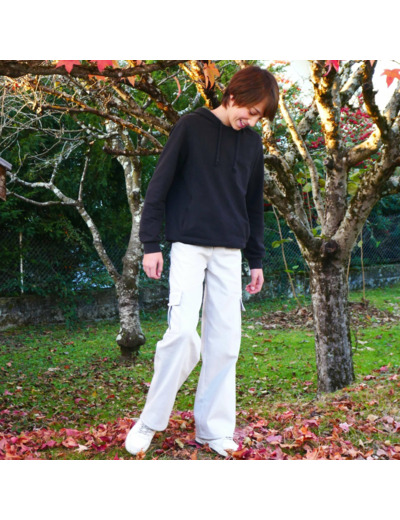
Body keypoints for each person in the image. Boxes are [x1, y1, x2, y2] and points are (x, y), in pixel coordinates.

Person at [125, 65, 279, 457]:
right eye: (251, 111)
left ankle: (214, 431)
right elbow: (159, 186)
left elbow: (254, 205)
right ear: (233, 96)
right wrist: (150, 244)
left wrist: (256, 260)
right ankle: (149, 421)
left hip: (230, 252)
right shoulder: (190, 127)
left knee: (225, 344)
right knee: (182, 335)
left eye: (259, 116)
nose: (252, 120)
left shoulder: (252, 144)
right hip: (189, 247)